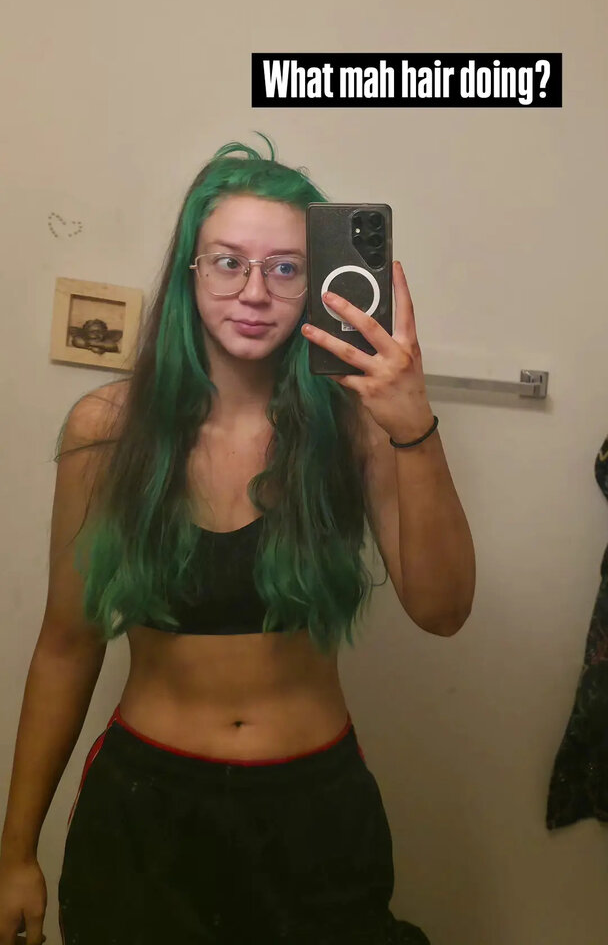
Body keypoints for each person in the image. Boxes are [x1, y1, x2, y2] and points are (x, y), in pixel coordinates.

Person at [0, 135, 475, 945]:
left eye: (286, 268)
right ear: (191, 272)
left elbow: (443, 610)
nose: (255, 292)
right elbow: (66, 644)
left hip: (314, 814)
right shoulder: (107, 431)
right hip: (144, 815)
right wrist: (15, 853)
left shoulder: (354, 428)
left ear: (317, 283)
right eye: (228, 262)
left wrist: (412, 427)